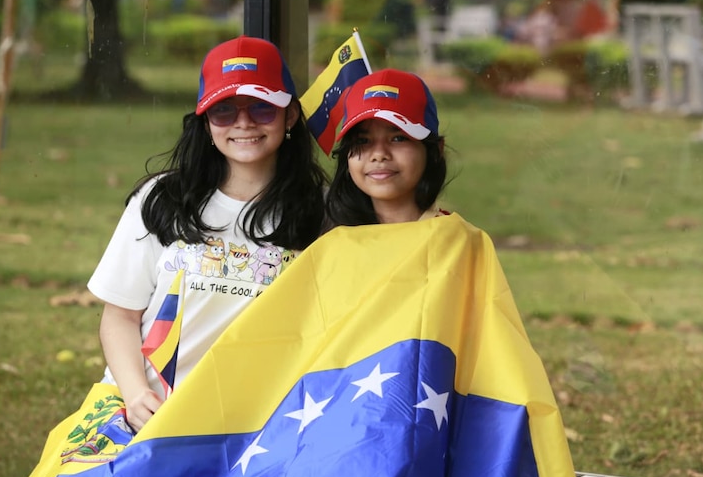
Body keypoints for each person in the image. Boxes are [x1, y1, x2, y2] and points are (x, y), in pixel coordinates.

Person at [88, 35, 327, 432]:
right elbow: (120, 318)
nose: (244, 122)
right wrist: (135, 397)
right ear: (204, 121)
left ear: (290, 116)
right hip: (143, 411)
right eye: (224, 111)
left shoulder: (321, 214)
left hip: (257, 424)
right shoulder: (162, 199)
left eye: (262, 108)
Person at [326, 68, 448, 225]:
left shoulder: (460, 243)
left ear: (436, 149)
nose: (379, 154)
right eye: (363, 141)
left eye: (398, 138)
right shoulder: (329, 246)